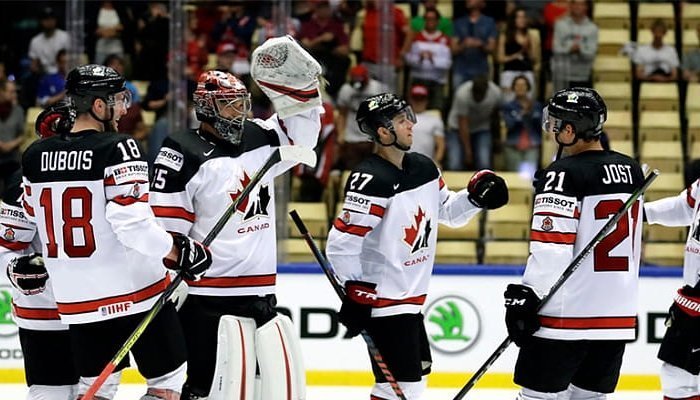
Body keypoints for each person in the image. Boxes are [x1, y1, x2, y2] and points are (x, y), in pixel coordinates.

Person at [18, 64, 212, 400]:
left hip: (76, 301)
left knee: (97, 388)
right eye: (118, 99)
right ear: (97, 106)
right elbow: (132, 224)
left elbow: (35, 216)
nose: (124, 107)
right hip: (134, 292)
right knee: (167, 382)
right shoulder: (118, 147)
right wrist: (178, 251)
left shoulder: (34, 155)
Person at [149, 69, 321, 399]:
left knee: (257, 387)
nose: (239, 113)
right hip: (206, 297)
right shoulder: (181, 150)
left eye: (241, 104)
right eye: (229, 105)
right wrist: (173, 276)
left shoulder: (260, 137)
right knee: (208, 387)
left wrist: (303, 92)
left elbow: (304, 137)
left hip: (258, 291)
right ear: (206, 107)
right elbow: (167, 230)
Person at [326, 92, 509, 400]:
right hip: (385, 302)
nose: (411, 124)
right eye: (401, 120)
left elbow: (447, 211)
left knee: (413, 381)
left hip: (410, 300)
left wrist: (475, 198)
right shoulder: (370, 180)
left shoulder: (424, 167)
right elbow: (341, 245)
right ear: (383, 132)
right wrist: (357, 293)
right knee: (400, 388)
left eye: (408, 116)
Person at [503, 87, 645, 399]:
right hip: (616, 316)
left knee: (537, 396)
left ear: (570, 129)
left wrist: (529, 297)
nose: (551, 129)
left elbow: (551, 247)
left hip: (566, 314)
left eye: (555, 123)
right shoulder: (632, 169)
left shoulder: (562, 175)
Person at [2, 103, 78, 400]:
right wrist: (15, 268)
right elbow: (6, 250)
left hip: (98, 308)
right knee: (52, 393)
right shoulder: (22, 183)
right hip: (46, 311)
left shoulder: (106, 174)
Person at [643, 161, 700, 400]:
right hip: (693, 298)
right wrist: (642, 213)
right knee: (679, 377)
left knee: (681, 378)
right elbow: (684, 207)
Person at [551, 0, 598, 91]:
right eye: (575, 3)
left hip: (583, 76)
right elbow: (556, 49)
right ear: (570, 5)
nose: (578, 7)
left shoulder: (592, 28)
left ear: (586, 7)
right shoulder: (560, 25)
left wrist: (580, 50)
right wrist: (569, 49)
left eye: (581, 4)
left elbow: (592, 53)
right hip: (562, 76)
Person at [634, 18, 679, 83]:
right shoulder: (642, 50)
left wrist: (664, 79)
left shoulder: (671, 51)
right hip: (648, 80)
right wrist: (651, 78)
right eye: (656, 31)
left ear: (665, 33)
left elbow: (675, 74)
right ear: (652, 31)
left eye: (660, 31)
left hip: (666, 80)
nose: (658, 34)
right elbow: (638, 73)